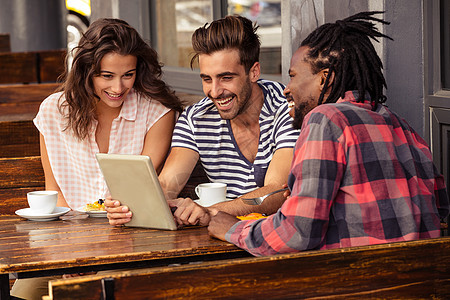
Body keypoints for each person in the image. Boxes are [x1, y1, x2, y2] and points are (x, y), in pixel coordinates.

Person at [208, 11, 450, 256]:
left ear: (325, 79)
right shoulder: (403, 126)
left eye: (292, 76)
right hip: (421, 279)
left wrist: (233, 228)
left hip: (357, 281)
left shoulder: (325, 119)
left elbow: (297, 233)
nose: (286, 90)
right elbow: (440, 209)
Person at [10, 18, 182, 300]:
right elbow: (55, 193)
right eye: (106, 76)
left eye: (128, 74)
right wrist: (72, 254)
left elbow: (143, 197)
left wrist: (93, 259)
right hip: (65, 244)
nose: (118, 87)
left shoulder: (156, 113)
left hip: (131, 243)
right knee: (24, 295)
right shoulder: (54, 111)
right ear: (86, 71)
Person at [106, 15, 300, 227]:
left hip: (279, 238)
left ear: (253, 72)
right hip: (222, 239)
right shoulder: (195, 119)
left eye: (226, 78)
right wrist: (131, 206)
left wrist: (212, 210)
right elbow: (167, 185)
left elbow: (275, 192)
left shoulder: (288, 109)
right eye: (207, 79)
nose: (215, 91)